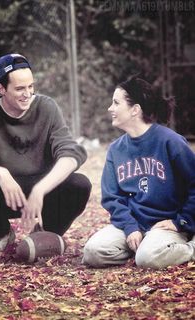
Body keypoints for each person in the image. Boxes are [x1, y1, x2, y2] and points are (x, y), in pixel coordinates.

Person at [0, 53, 91, 262]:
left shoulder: (47, 107)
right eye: (20, 88)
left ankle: (44, 233)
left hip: (43, 191)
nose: (27, 94)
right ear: (1, 89)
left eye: (31, 87)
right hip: (5, 193)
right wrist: (0, 173)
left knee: (79, 185)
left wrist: (41, 188)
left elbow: (71, 153)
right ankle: (1, 234)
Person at [83, 76, 195, 269]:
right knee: (93, 252)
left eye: (116, 103)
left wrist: (181, 222)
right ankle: (144, 248)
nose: (110, 109)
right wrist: (129, 227)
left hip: (167, 224)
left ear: (135, 110)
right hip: (135, 225)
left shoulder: (171, 142)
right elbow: (112, 197)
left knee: (148, 259)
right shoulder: (115, 149)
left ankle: (188, 247)